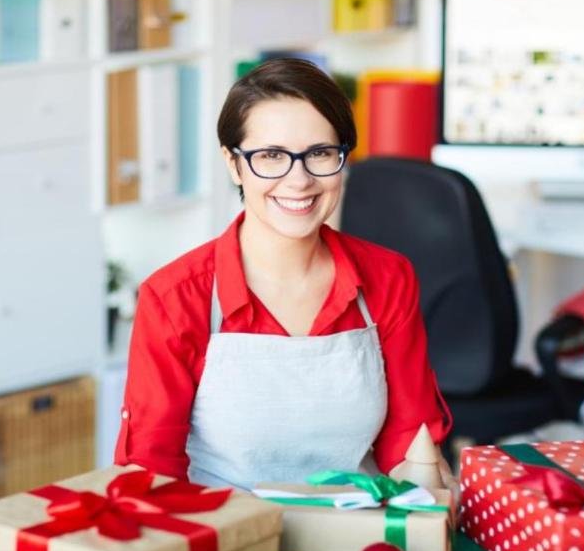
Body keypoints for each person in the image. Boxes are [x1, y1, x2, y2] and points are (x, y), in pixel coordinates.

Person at [113, 58, 453, 490]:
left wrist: (427, 495)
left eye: (320, 153)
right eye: (271, 156)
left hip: (356, 530)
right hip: (226, 536)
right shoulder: (175, 298)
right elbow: (151, 470)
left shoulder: (388, 278)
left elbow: (410, 441)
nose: (300, 180)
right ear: (234, 164)